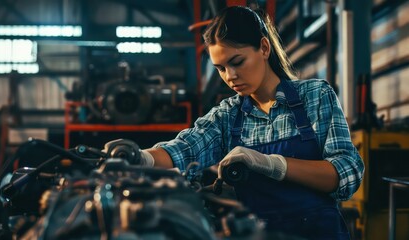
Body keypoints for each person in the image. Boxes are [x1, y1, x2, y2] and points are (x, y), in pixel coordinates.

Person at [116, 6, 364, 239]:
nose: (230, 76)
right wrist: (137, 157)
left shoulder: (315, 96)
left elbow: (346, 174)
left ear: (264, 48)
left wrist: (271, 164)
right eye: (220, 68)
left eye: (237, 62)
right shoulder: (228, 115)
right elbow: (184, 148)